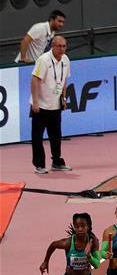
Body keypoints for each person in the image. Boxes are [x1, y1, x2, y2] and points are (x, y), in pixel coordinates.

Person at [30, 35, 72, 174]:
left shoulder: (66, 60)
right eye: (59, 46)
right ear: (52, 46)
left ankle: (57, 162)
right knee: (37, 137)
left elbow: (64, 80)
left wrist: (64, 98)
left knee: (56, 136)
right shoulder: (43, 60)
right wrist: (35, 102)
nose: (61, 49)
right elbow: (35, 80)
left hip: (55, 105)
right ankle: (40, 165)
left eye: (64, 46)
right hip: (40, 106)